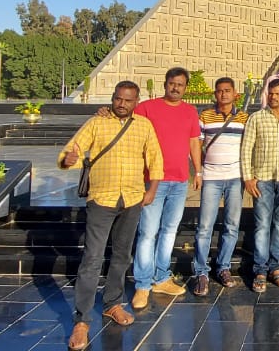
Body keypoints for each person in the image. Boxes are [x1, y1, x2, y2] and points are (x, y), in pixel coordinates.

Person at [59, 81, 163, 350]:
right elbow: (73, 149)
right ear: (113, 98)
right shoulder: (97, 122)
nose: (122, 104)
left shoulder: (143, 126)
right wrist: (68, 159)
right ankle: (82, 320)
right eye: (118, 99)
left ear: (136, 102)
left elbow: (155, 158)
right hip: (102, 199)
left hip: (131, 198)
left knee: (121, 255)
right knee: (92, 258)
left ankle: (112, 303)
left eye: (128, 100)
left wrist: (151, 189)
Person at [128, 67, 202, 308]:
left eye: (180, 84)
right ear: (165, 84)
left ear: (185, 88)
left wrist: (198, 171)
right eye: (172, 83)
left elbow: (194, 142)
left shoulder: (190, 112)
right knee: (148, 232)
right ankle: (142, 284)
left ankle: (161, 278)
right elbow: (126, 122)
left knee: (169, 231)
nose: (175, 87)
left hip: (179, 181)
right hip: (153, 181)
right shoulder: (147, 108)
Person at [192, 77, 248, 296]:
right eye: (219, 91)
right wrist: (198, 171)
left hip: (235, 178)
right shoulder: (205, 116)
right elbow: (196, 144)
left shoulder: (243, 118)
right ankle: (201, 271)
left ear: (235, 94)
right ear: (215, 94)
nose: (223, 94)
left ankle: (223, 267)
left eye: (227, 90)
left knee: (232, 225)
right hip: (211, 178)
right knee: (205, 226)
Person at [240, 78, 279, 292]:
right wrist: (248, 177)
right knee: (262, 225)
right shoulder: (256, 118)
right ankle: (260, 270)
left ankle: (275, 267)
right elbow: (247, 148)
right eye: (270, 93)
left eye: (277, 93)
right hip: (262, 180)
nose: (273, 97)